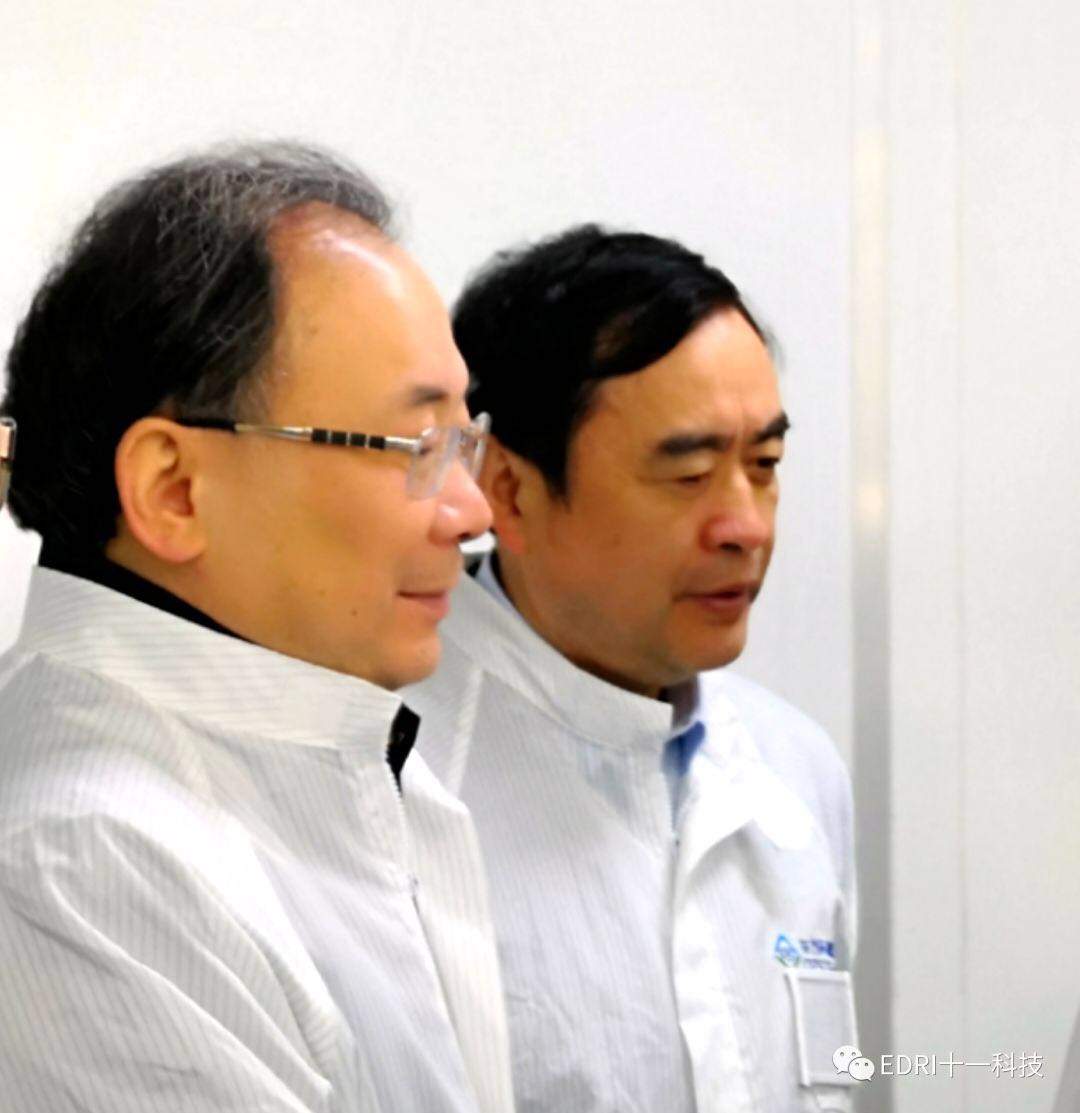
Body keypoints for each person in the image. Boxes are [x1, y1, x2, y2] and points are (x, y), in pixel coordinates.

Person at [0, 143, 515, 1113]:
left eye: (463, 444)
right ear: (174, 489)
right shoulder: (84, 861)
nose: (473, 512)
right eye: (416, 445)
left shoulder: (330, 754)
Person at [406, 224, 859, 1113]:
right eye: (688, 475)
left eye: (765, 465)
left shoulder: (798, 770)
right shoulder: (396, 776)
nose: (746, 526)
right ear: (509, 491)